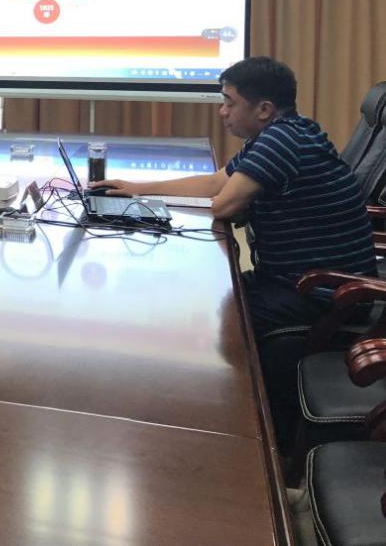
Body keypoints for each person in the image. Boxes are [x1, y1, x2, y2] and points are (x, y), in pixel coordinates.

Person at [97, 57, 375, 443]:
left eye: (229, 102)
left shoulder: (281, 141)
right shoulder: (285, 133)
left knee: (206, 321)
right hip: (298, 280)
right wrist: (138, 189)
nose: (222, 111)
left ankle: (237, 436)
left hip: (324, 293)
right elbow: (217, 183)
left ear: (263, 109)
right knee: (208, 301)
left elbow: (224, 205)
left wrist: (225, 201)